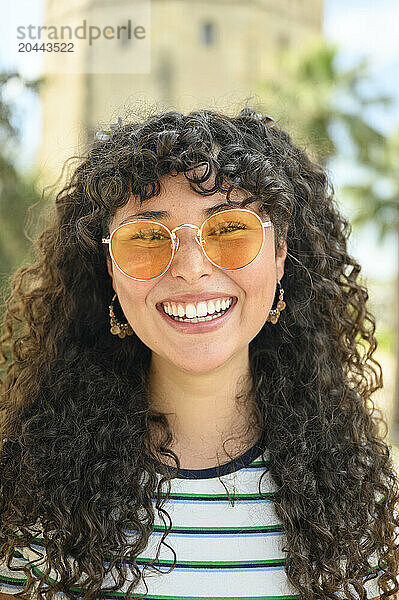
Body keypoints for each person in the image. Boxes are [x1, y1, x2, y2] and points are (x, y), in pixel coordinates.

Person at [0, 106, 397, 600]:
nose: (191, 268)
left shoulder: (363, 512)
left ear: (279, 256)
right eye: (146, 236)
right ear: (109, 268)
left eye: (230, 230)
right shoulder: (26, 504)